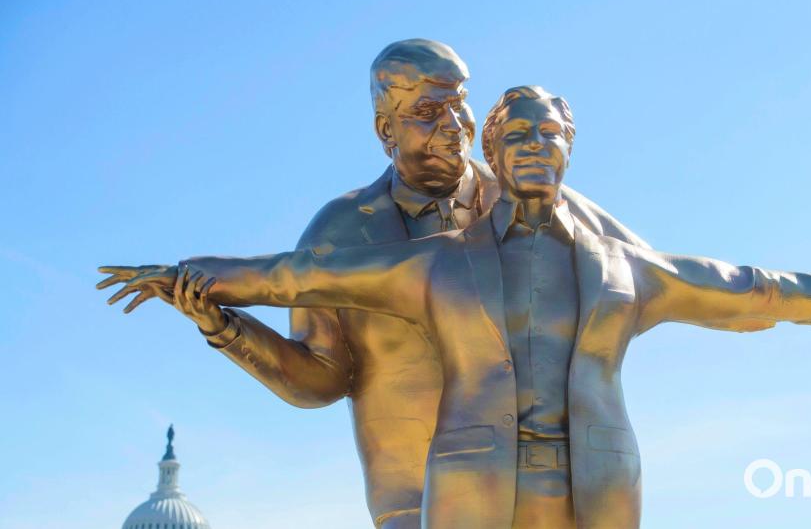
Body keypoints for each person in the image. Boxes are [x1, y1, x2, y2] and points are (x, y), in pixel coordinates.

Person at [102, 86, 811, 528]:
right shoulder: (435, 266)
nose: (532, 144)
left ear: (569, 148)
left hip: (596, 479)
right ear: (492, 154)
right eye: (515, 133)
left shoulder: (626, 267)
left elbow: (742, 290)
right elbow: (296, 275)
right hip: (470, 486)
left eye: (548, 133)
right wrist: (191, 277)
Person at [98, 43, 648, 528]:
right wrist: (222, 325)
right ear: (387, 130)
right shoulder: (341, 231)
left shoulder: (532, 199)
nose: (455, 125)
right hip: (411, 499)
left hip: (547, 494)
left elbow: (643, 273)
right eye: (429, 112)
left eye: (460, 103)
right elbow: (318, 380)